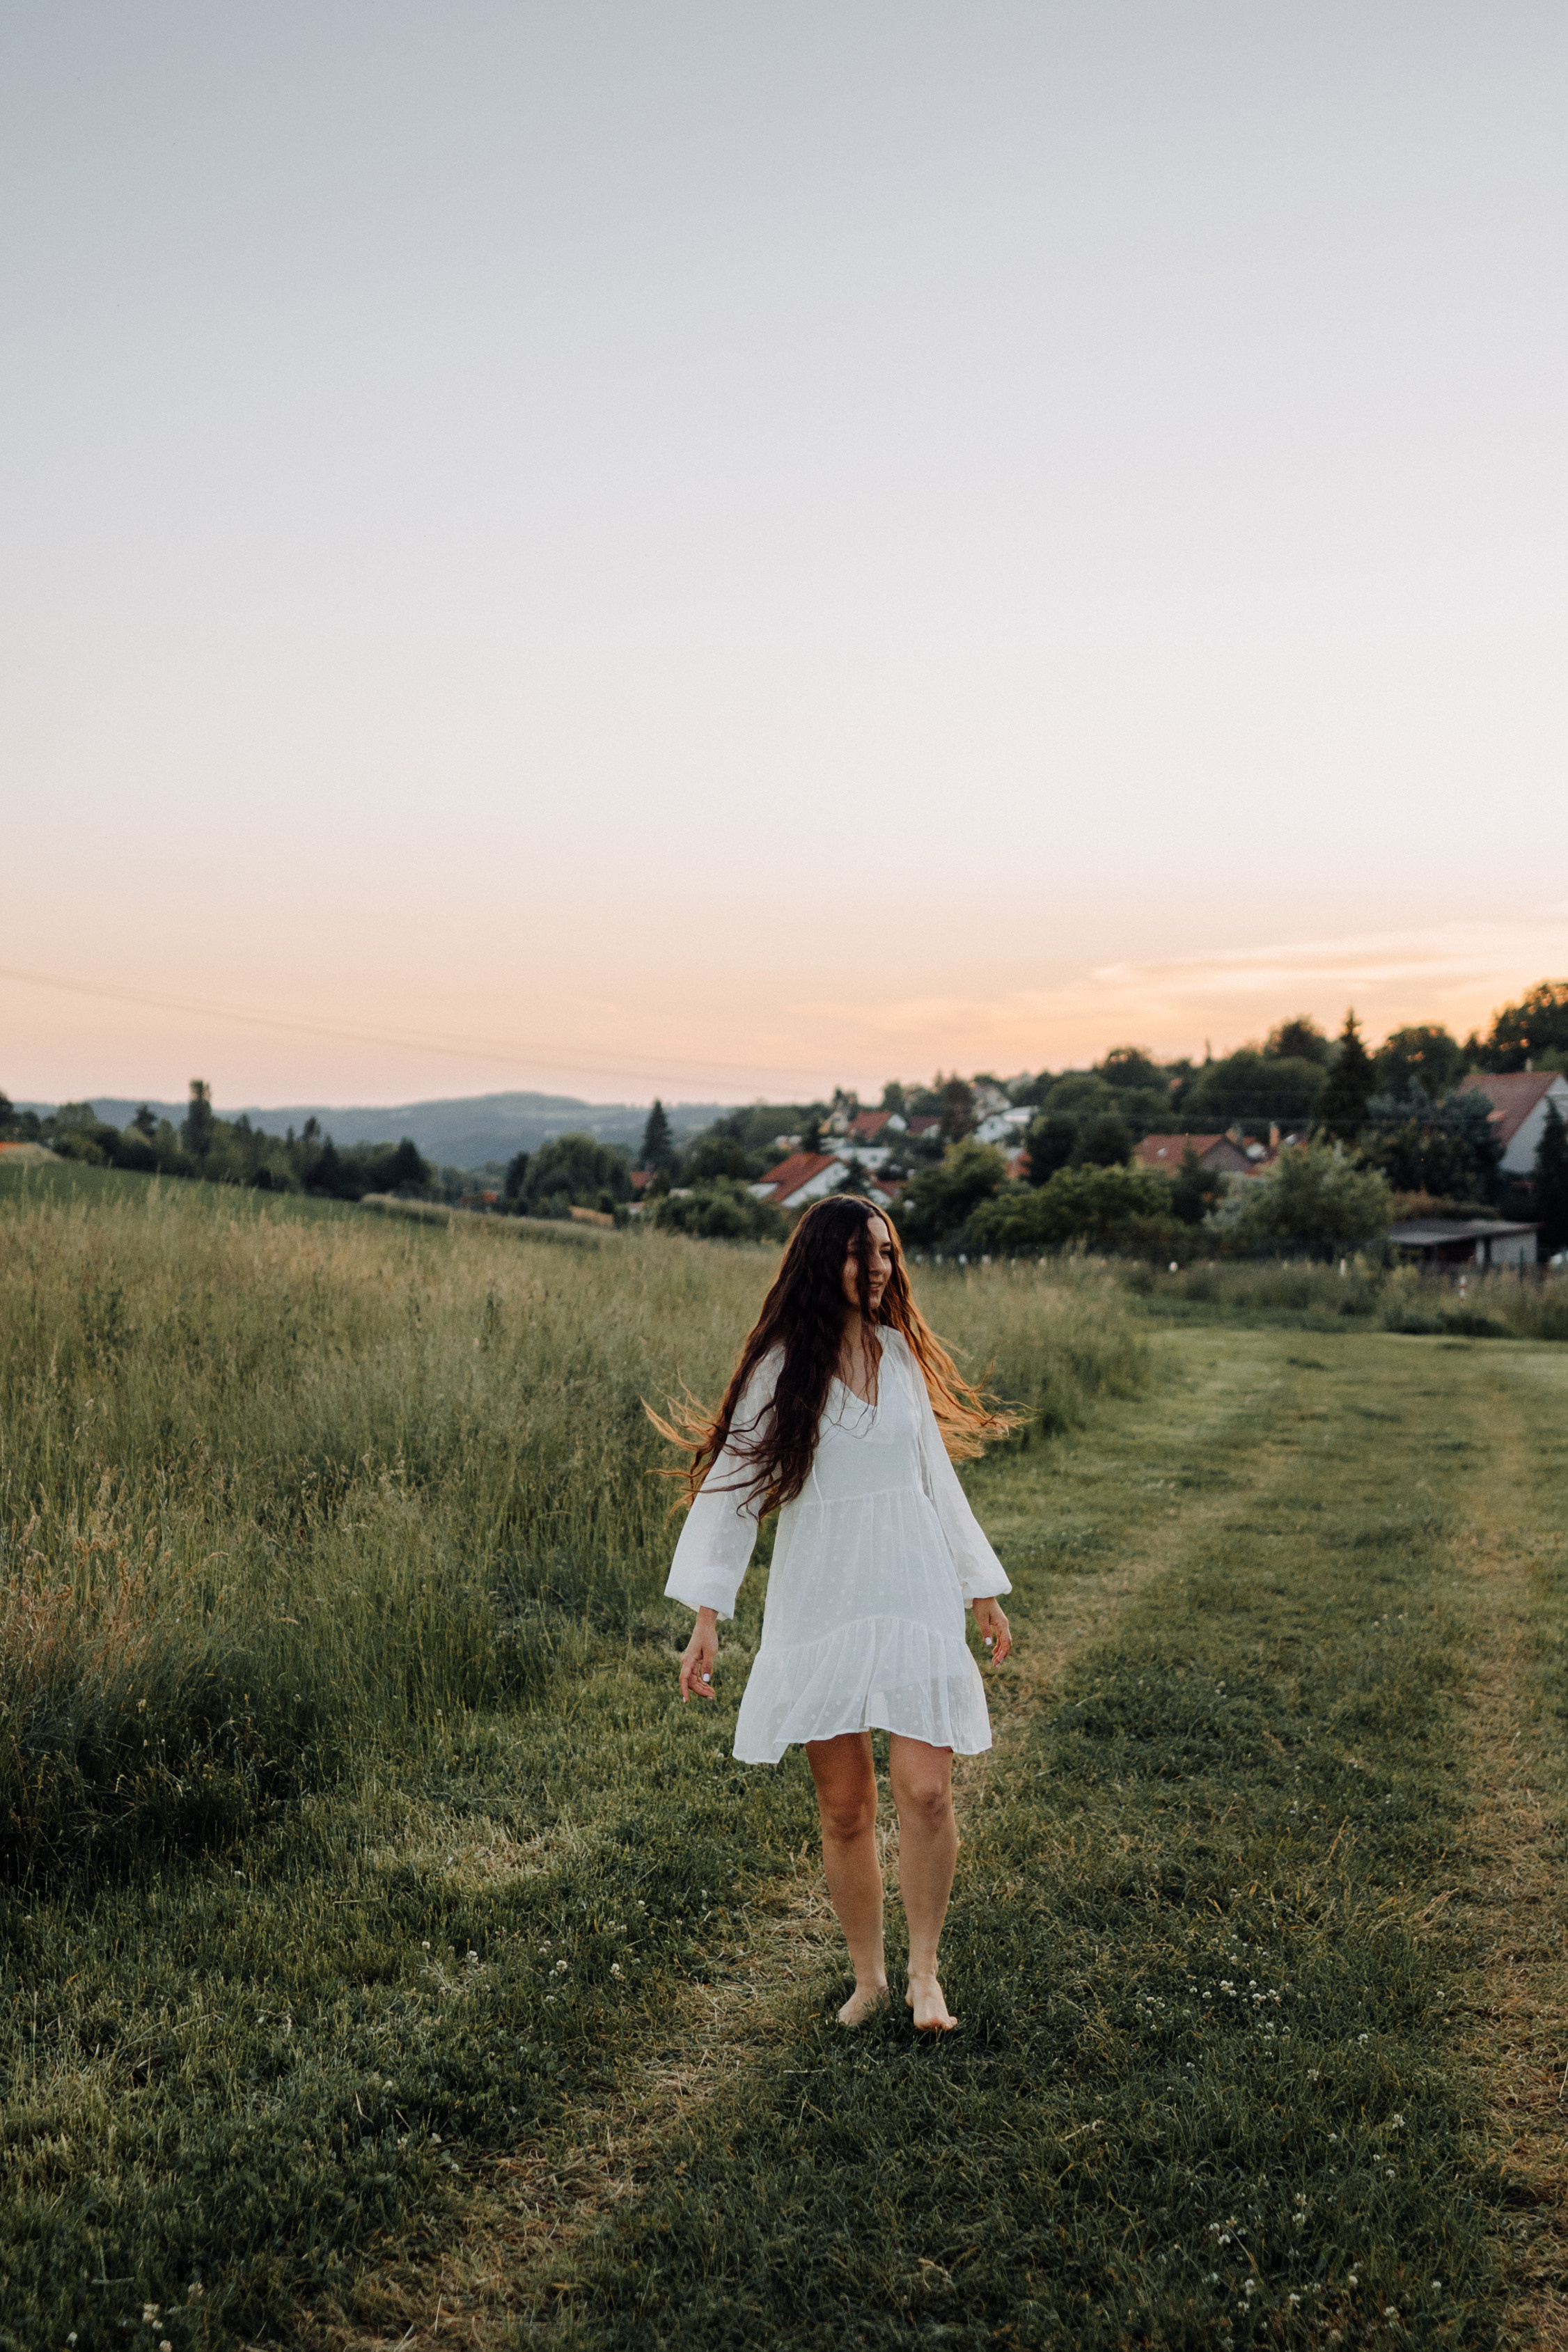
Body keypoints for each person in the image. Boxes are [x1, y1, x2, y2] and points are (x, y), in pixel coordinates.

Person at [652, 1193, 1015, 2032]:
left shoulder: (900, 1356)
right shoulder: (782, 1368)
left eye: (887, 1252)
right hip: (822, 1596)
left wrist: (979, 1587)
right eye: (863, 1253)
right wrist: (707, 1615)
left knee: (925, 1792)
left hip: (912, 1584)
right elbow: (733, 1494)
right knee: (845, 1806)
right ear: (826, 1260)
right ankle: (870, 1979)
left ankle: (925, 1974)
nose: (881, 1267)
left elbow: (937, 1483)